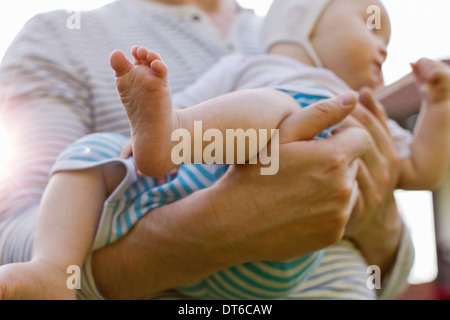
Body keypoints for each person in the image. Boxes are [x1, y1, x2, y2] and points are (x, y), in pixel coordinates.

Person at [0, 0, 413, 300]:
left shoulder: (299, 48)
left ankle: (173, 135)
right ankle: (171, 138)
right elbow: (11, 237)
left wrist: (379, 221)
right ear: (303, 24)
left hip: (317, 269)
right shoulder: (59, 35)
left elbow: (391, 266)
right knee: (94, 154)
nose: (383, 51)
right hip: (185, 240)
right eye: (371, 27)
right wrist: (209, 231)